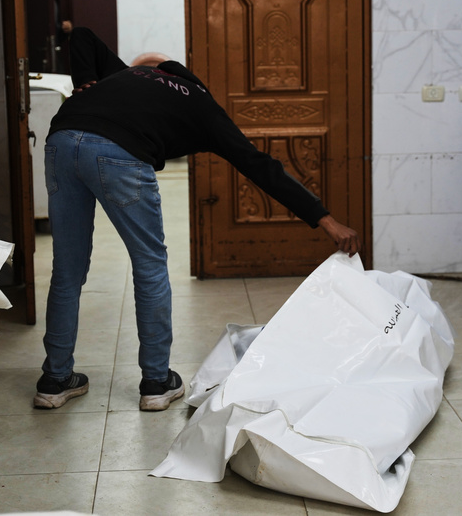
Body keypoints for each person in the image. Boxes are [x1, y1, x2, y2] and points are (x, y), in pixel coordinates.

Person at [34, 27, 361, 412]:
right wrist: (326, 219)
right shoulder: (202, 104)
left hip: (61, 137)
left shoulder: (125, 76)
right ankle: (156, 383)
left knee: (67, 269)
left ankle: (55, 381)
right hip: (119, 152)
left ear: (154, 71)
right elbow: (261, 166)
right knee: (150, 265)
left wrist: (86, 82)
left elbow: (83, 36)